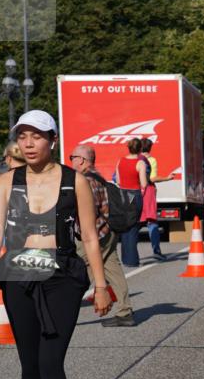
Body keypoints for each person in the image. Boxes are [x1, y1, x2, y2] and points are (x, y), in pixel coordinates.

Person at [0, 110, 112, 379]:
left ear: (53, 139)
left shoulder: (74, 181)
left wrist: (101, 285)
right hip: (19, 275)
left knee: (51, 360)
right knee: (30, 361)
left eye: (36, 136)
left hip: (62, 276)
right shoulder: (5, 183)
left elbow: (91, 238)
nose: (29, 143)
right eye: (22, 137)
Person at [70, 145, 136, 327]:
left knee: (73, 271)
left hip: (94, 235)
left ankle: (61, 313)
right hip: (109, 231)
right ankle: (125, 312)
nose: (71, 161)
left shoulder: (86, 182)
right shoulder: (99, 177)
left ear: (82, 160)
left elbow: (87, 213)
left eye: (72, 157)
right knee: (113, 270)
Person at [115, 138, 148, 267]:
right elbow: (144, 183)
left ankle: (125, 258)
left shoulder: (120, 161)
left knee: (125, 227)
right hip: (133, 194)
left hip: (122, 194)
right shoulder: (140, 163)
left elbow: (118, 180)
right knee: (133, 227)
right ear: (140, 149)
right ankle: (132, 259)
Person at [140, 138, 166, 261]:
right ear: (150, 148)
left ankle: (130, 254)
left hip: (134, 193)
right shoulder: (151, 160)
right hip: (148, 193)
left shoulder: (135, 159)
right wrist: (168, 178)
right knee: (152, 223)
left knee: (134, 224)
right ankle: (156, 250)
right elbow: (153, 178)